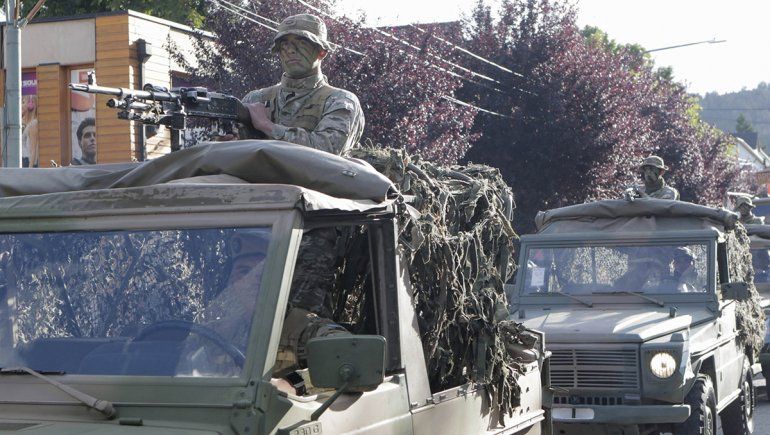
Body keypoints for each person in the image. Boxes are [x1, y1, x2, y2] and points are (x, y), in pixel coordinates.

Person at [240, 13, 365, 156]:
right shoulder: (256, 99)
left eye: (302, 43)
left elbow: (327, 151)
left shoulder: (340, 101)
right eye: (284, 44)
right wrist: (227, 140)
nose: (291, 50)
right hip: (256, 177)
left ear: (321, 51)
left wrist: (267, 126)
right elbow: (237, 150)